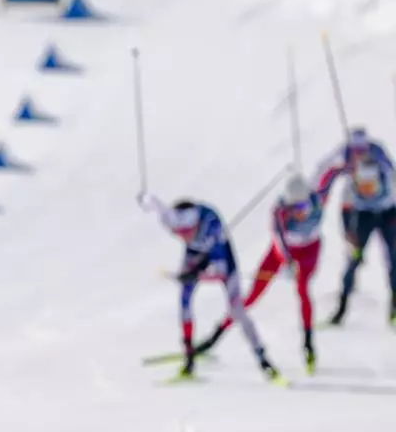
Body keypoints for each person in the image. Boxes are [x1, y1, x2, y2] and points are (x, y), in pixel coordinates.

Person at [138, 191, 284, 383]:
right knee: (184, 300)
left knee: (237, 309)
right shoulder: (171, 221)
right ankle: (189, 357)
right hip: (195, 255)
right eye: (179, 233)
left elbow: (220, 270)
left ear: (196, 224)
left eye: (188, 232)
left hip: (221, 257)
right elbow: (155, 204)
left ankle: (263, 359)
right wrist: (145, 199)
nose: (184, 236)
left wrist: (195, 274)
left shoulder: (212, 226)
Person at [191, 173, 329, 374]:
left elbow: (329, 173)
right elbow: (279, 239)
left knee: (302, 290)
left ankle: (308, 345)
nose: (298, 213)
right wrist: (287, 260)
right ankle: (215, 336)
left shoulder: (318, 199)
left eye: (302, 208)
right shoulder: (279, 211)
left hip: (309, 251)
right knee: (251, 296)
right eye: (293, 208)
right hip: (282, 252)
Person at [315, 126, 396, 325]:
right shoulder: (347, 162)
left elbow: (390, 167)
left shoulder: (379, 158)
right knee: (353, 260)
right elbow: (326, 172)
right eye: (363, 186)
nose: (367, 190)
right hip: (362, 216)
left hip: (387, 214)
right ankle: (341, 310)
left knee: (393, 261)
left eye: (371, 185)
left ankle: (394, 309)